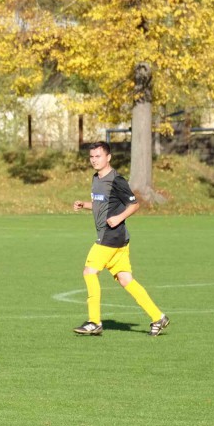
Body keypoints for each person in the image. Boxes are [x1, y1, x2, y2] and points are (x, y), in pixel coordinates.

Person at [70, 142, 170, 337]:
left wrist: (118, 218)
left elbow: (134, 204)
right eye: (91, 156)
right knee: (126, 280)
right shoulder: (96, 178)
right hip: (119, 240)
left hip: (110, 236)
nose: (94, 160)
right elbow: (102, 204)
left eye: (98, 156)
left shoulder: (117, 180)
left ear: (108, 157)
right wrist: (85, 204)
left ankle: (94, 321)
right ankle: (158, 316)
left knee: (89, 272)